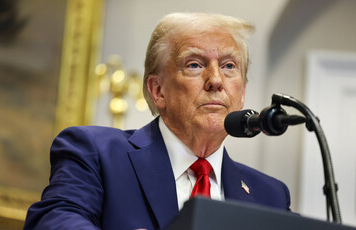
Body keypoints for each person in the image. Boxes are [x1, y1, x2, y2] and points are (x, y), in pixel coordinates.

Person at [24, 12, 291, 230]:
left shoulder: (270, 196)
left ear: (242, 93)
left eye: (229, 66)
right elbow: (53, 222)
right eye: (195, 64)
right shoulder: (94, 153)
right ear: (157, 90)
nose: (216, 80)